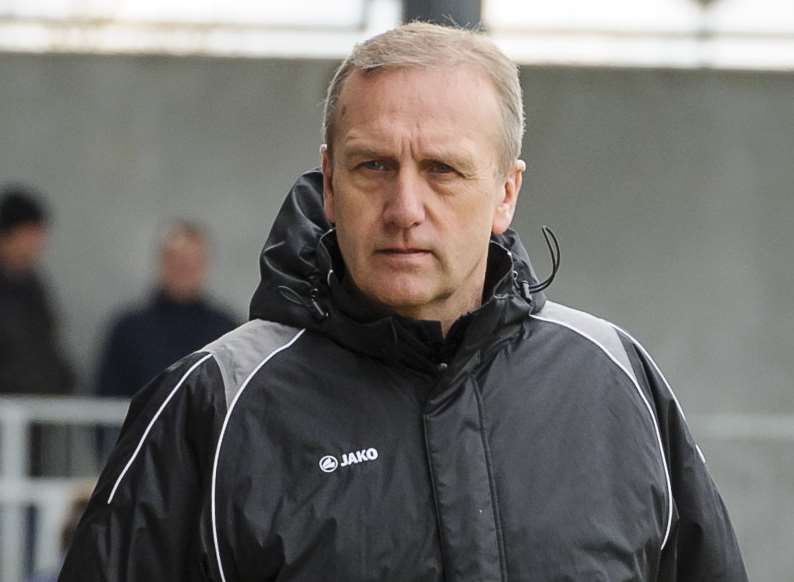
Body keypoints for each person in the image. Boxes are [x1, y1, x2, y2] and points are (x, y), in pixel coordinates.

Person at [59, 23, 748, 581]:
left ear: (506, 192)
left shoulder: (615, 384)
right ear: (329, 183)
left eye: (444, 170)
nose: (405, 209)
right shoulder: (214, 403)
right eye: (374, 166)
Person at [94, 220, 237, 398]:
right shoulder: (128, 330)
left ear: (204, 264)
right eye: (176, 260)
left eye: (191, 262)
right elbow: (107, 398)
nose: (184, 269)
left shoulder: (227, 331)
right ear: (162, 262)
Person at [0, 183, 74, 396]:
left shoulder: (34, 286)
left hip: (33, 414)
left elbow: (45, 346)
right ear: (8, 235)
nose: (39, 242)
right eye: (30, 233)